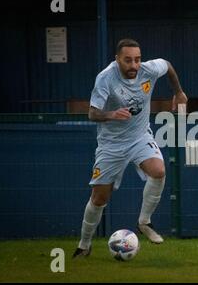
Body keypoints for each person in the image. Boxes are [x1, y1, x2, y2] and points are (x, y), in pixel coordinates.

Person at [73, 38, 188, 258]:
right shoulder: (105, 78)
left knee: (159, 170)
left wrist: (179, 92)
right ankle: (84, 244)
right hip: (111, 145)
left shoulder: (148, 70)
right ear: (117, 60)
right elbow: (92, 113)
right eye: (128, 60)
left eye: (137, 59)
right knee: (99, 198)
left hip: (139, 136)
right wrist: (111, 114)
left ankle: (144, 222)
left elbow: (168, 65)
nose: (134, 65)